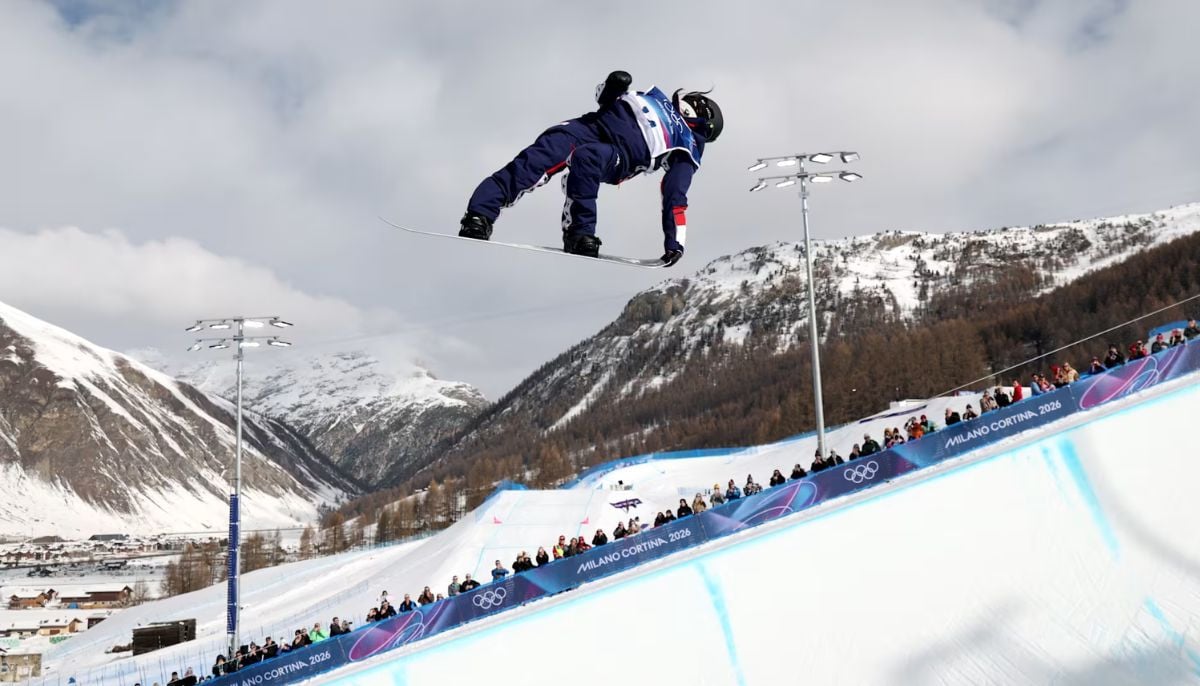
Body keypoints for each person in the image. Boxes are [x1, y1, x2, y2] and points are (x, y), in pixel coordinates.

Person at [459, 70, 723, 265]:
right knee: (536, 159)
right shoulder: (654, 98)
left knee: (589, 158)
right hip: (590, 126)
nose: (694, 102)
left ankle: (579, 235)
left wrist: (675, 242)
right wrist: (613, 86)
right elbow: (603, 99)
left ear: (704, 122)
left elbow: (676, 194)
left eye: (701, 104)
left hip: (618, 155)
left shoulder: (688, 144)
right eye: (696, 98)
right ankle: (479, 216)